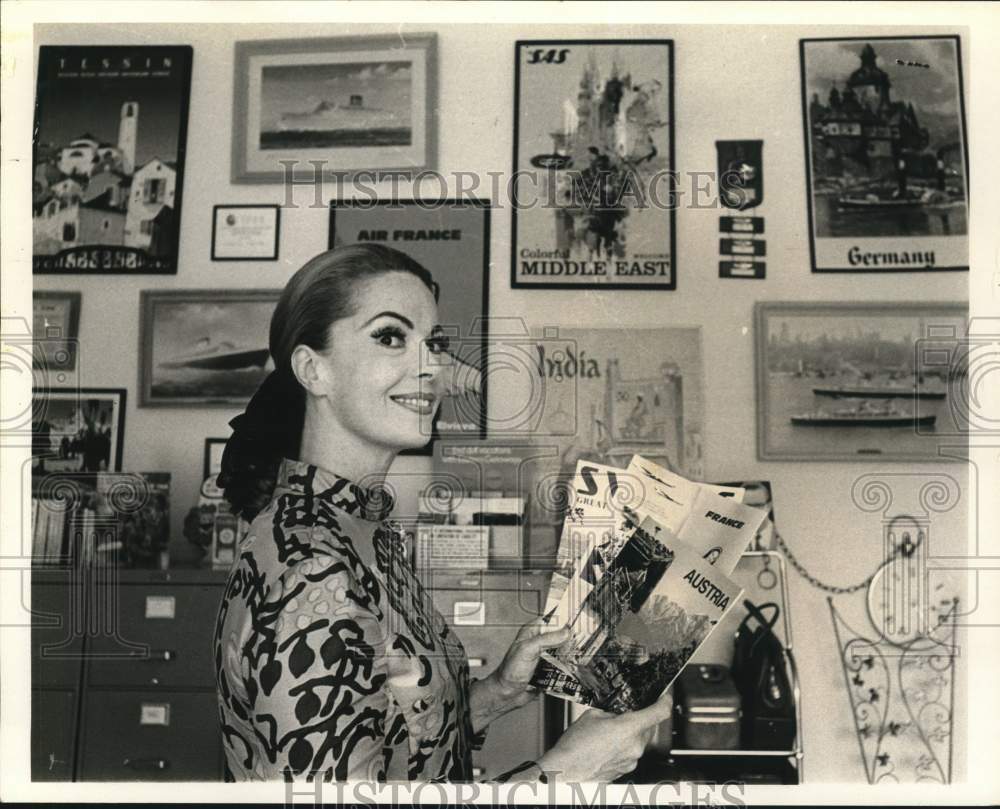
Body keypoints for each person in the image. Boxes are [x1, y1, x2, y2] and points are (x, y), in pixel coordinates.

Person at [214, 244, 671, 783]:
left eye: (434, 342)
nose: (431, 365)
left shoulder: (358, 529)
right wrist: (565, 775)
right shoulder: (312, 565)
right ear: (314, 370)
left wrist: (498, 691)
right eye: (390, 337)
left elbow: (393, 741)